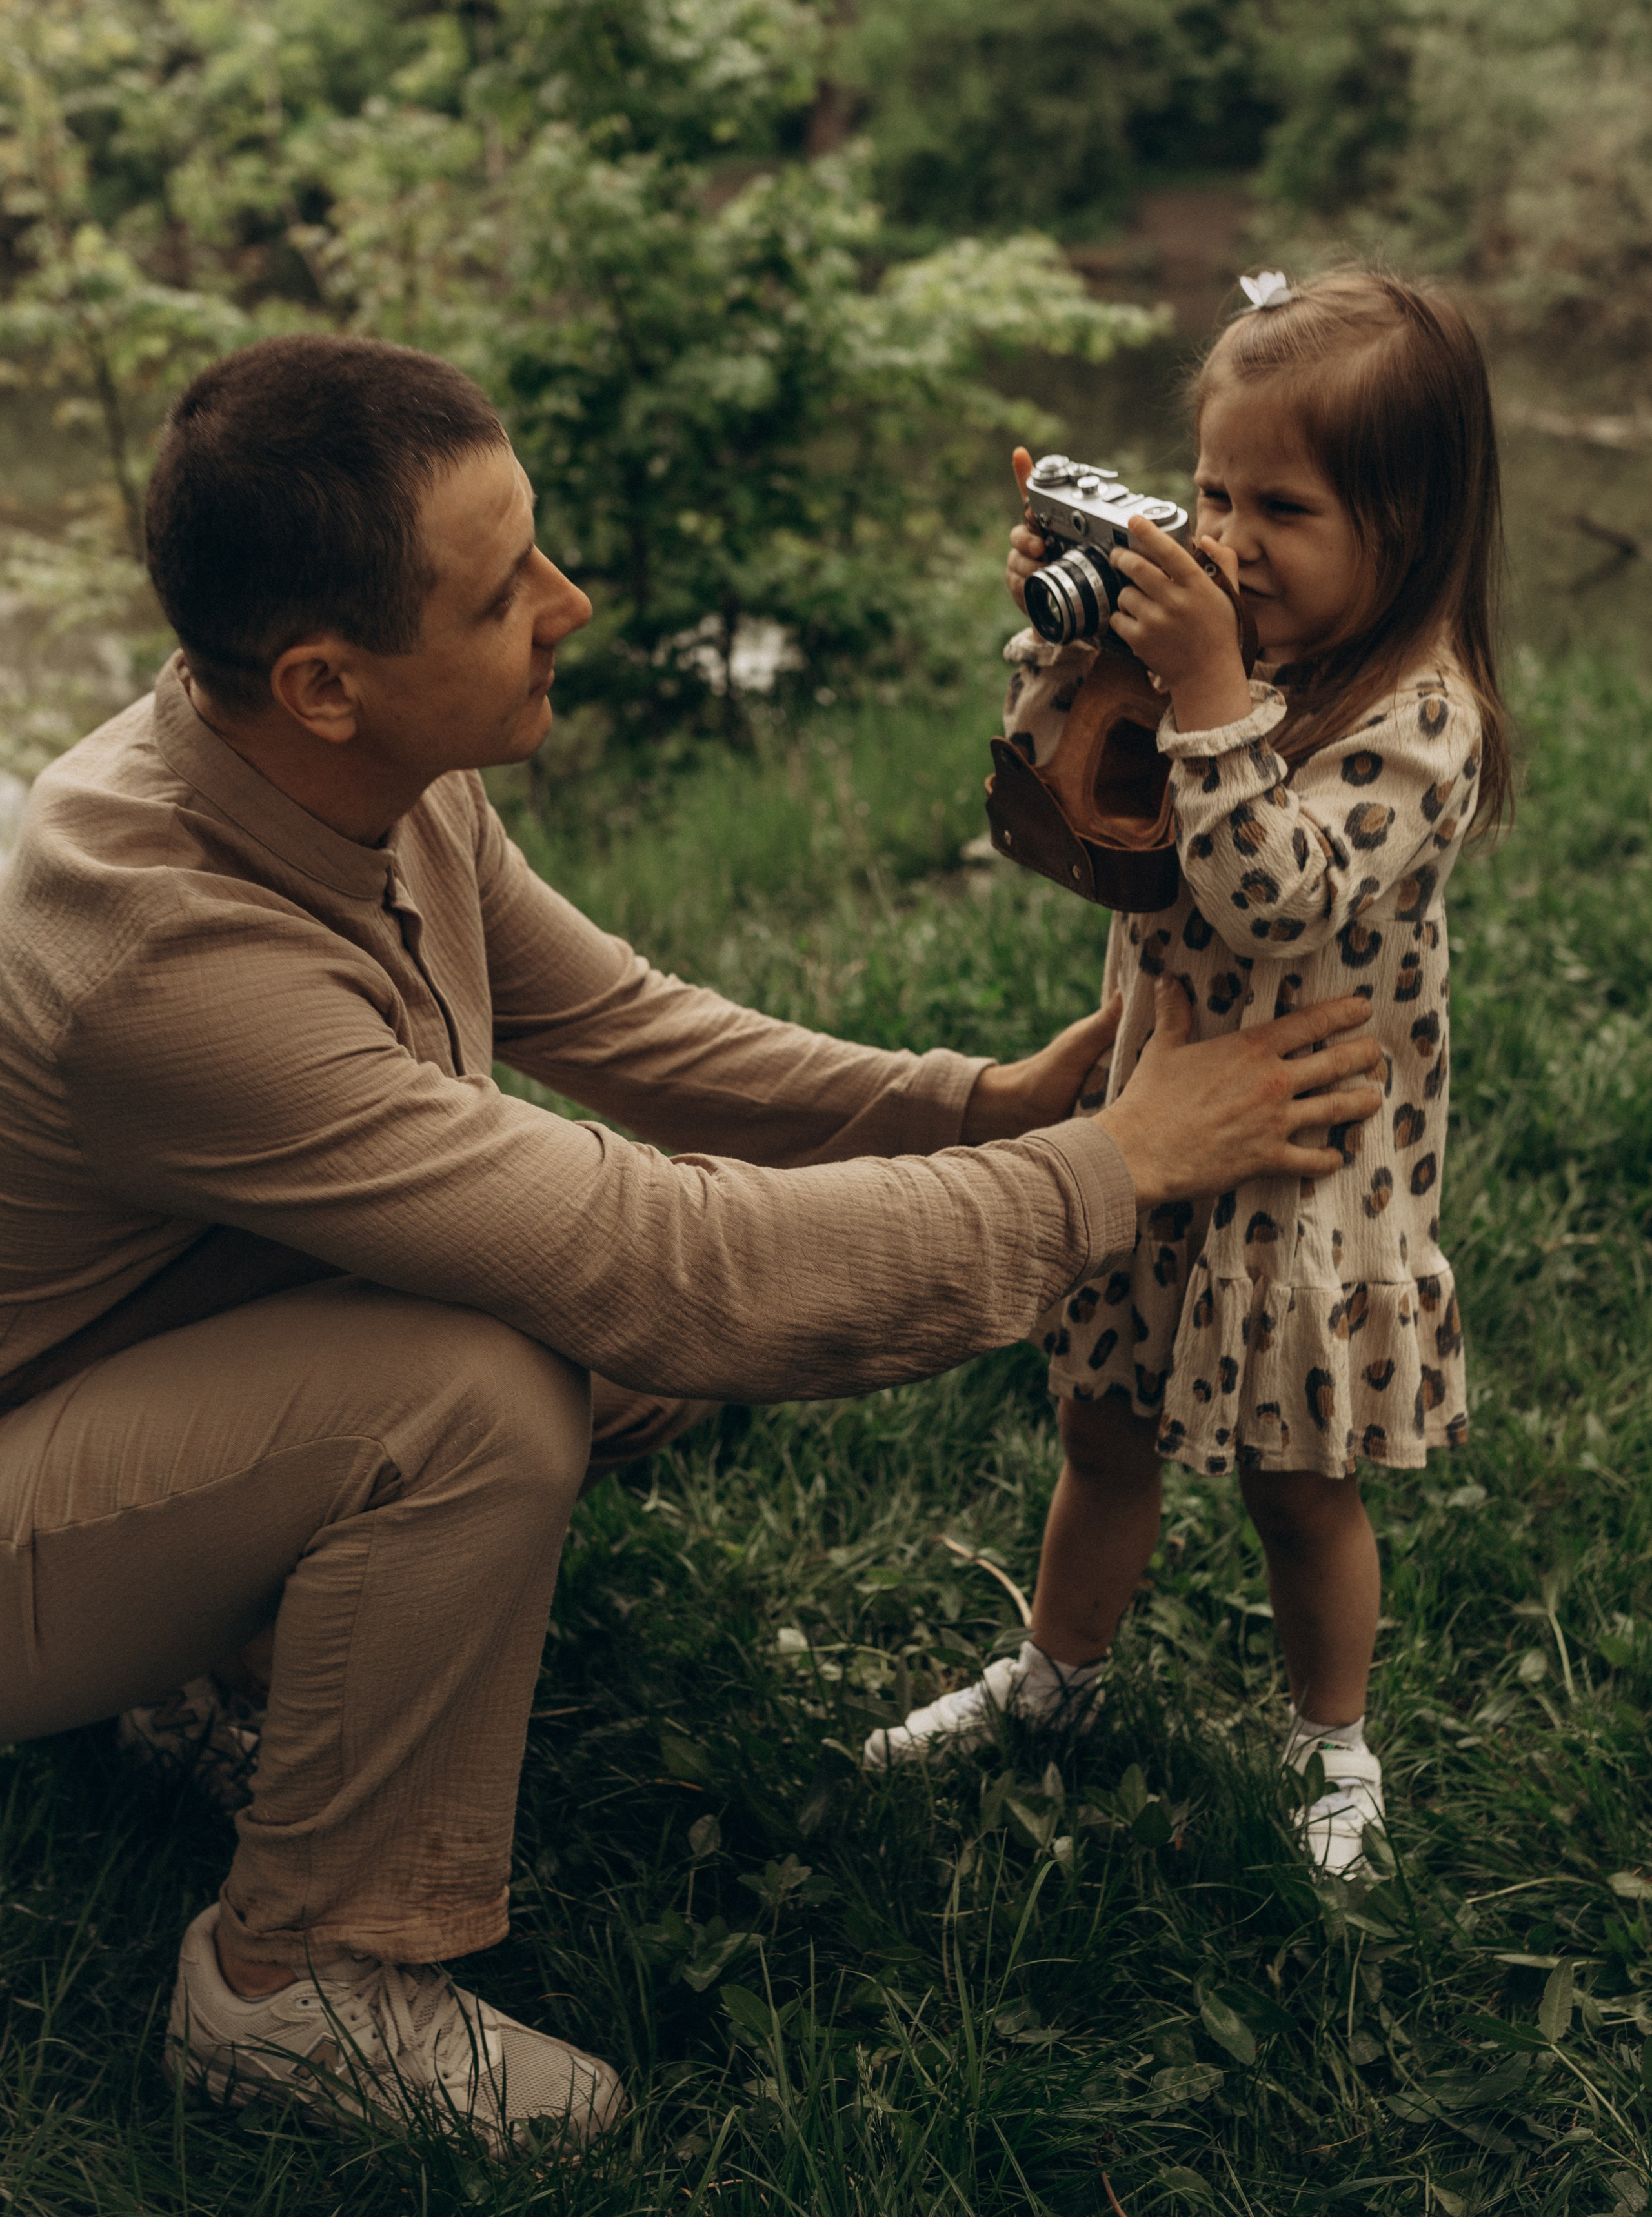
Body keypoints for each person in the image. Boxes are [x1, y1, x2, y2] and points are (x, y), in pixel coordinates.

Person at [0, 334, 1385, 2156]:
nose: (567, 605)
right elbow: (672, 1264)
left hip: (115, 1370)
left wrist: (975, 1104)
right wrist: (1117, 1166)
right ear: (326, 680)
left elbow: (632, 1034)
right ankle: (293, 1982)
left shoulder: (353, 770)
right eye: (505, 594)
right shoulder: (164, 961)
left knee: (592, 1357)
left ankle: (224, 1656)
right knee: (483, 1387)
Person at [868, 268, 1509, 1878]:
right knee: (1101, 1428)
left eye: (1279, 507)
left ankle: (1332, 1750)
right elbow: (1090, 820)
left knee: (1298, 1486)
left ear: (1412, 521)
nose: (1225, 541)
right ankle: (1054, 1680)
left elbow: (1269, 893)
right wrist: (1072, 640)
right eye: (1208, 493)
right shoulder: (1227, 647)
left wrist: (1212, 692)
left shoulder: (1421, 717)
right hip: (1148, 1131)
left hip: (1304, 1164)